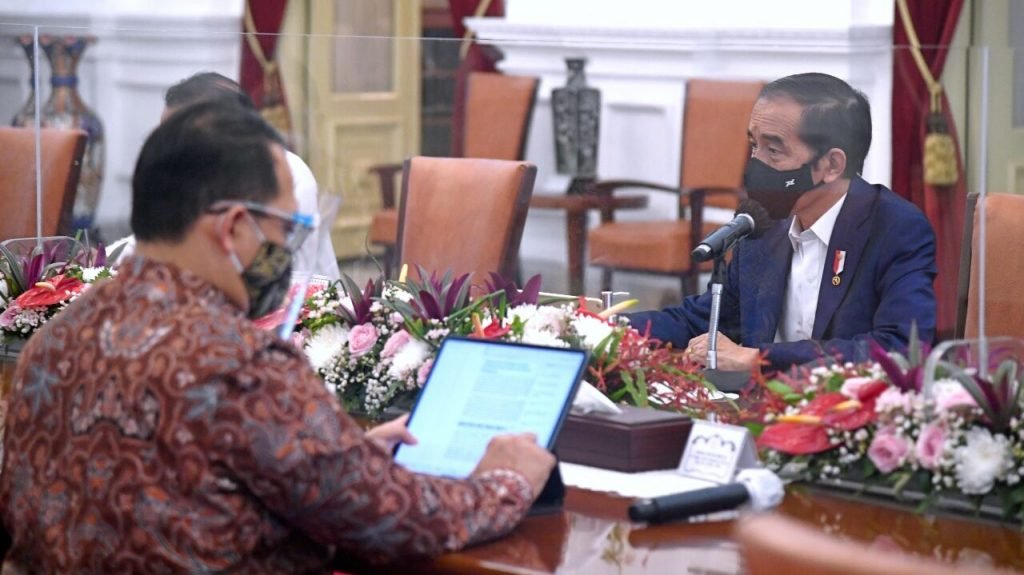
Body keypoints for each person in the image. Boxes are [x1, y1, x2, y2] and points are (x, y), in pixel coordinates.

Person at [0, 101, 555, 572]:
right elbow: (398, 521)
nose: (288, 255)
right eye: (287, 232)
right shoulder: (241, 365)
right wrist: (506, 481)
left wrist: (343, 460)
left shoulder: (53, 343)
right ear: (232, 227)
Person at [627, 73, 937, 372]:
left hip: (842, 404)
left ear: (831, 165)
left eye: (773, 151)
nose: (754, 164)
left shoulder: (895, 228)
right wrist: (612, 327)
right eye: (754, 146)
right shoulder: (764, 226)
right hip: (753, 402)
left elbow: (900, 349)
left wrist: (758, 359)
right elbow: (706, 318)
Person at [108, 71, 340, 279]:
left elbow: (269, 277)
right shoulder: (185, 173)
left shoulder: (287, 175)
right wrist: (99, 264)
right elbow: (155, 240)